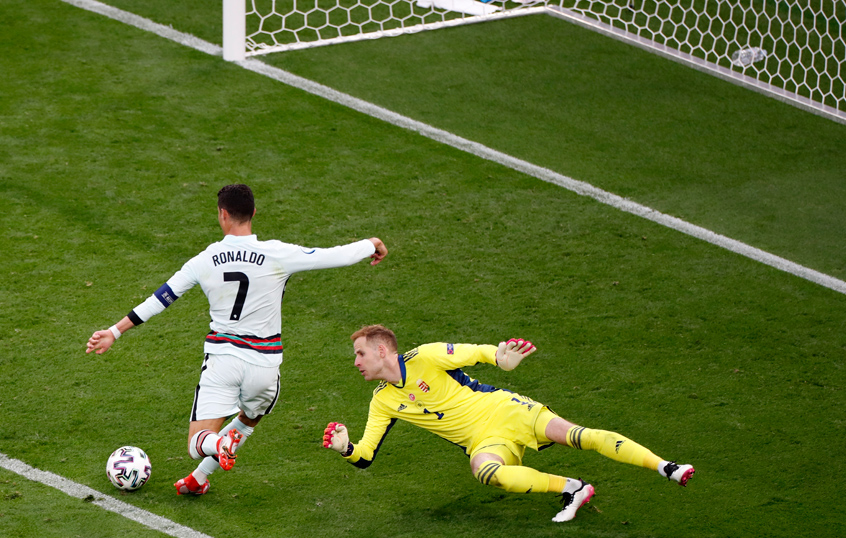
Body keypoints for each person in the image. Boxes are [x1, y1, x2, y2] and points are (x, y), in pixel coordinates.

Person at [86, 184, 388, 496]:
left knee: (198, 442)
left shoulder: (205, 259)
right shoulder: (277, 253)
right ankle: (199, 478)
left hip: (223, 362)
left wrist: (114, 331)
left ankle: (218, 444)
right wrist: (371, 244)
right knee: (249, 418)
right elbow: (333, 256)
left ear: (223, 214)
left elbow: (162, 298)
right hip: (265, 367)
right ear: (253, 213)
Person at [322, 325, 694, 523]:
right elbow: (366, 456)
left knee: (579, 436)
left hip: (507, 410)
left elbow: (479, 353)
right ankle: (574, 488)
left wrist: (501, 359)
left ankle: (666, 466)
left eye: (360, 353)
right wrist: (346, 449)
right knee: (486, 472)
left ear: (382, 350)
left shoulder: (427, 356)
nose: (356, 362)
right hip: (484, 441)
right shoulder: (382, 401)